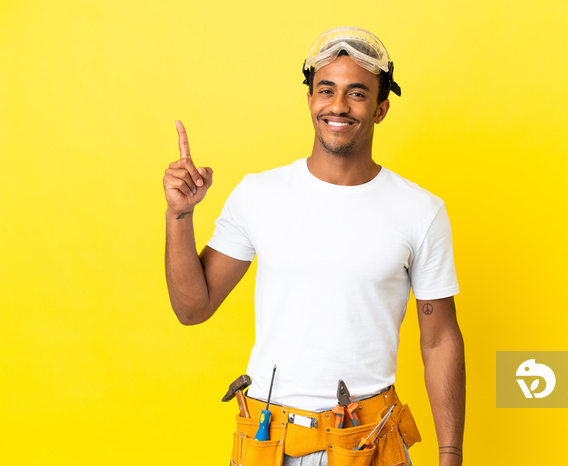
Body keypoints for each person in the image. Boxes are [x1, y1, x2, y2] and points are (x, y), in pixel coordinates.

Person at [163, 27, 465, 465]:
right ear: (310, 101)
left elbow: (439, 340)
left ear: (381, 109)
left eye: (357, 93)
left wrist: (450, 455)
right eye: (326, 90)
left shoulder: (421, 211)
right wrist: (179, 215)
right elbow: (193, 309)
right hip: (270, 442)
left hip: (368, 442)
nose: (338, 105)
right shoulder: (259, 195)